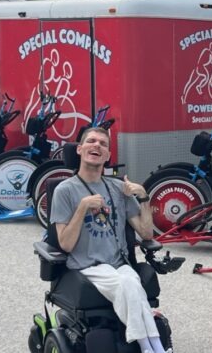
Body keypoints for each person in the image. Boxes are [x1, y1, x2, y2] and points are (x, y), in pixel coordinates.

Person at [50, 127, 171, 353]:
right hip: (88, 266)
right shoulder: (64, 191)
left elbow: (146, 234)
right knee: (128, 283)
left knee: (130, 281)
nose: (97, 146)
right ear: (79, 149)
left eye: (103, 144)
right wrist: (83, 207)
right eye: (91, 141)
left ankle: (151, 347)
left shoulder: (118, 188)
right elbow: (65, 244)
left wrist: (143, 195)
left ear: (107, 156)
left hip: (119, 264)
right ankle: (152, 347)